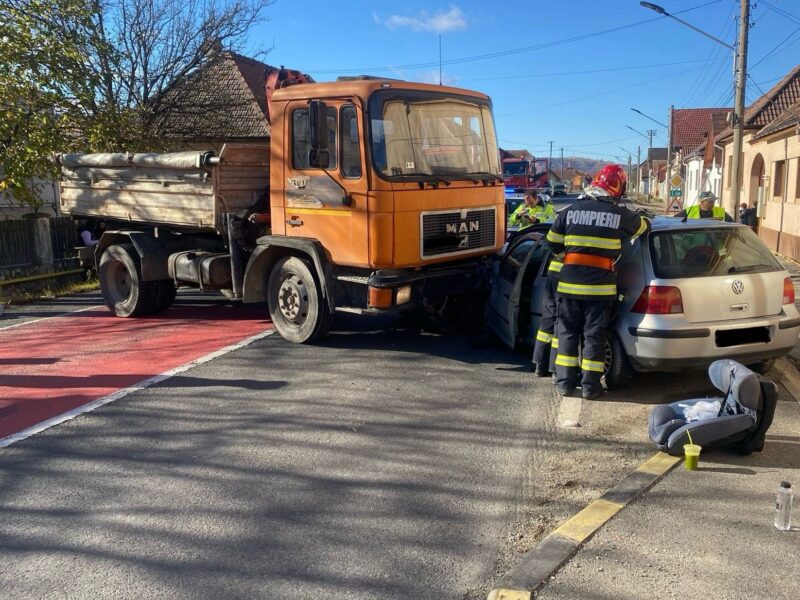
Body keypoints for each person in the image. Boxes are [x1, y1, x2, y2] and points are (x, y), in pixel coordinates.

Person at [544, 164, 650, 399]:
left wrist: (571, 259)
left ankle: (565, 383)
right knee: (594, 335)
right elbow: (644, 227)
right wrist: (640, 216)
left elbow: (551, 242)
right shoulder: (619, 214)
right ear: (616, 186)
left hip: (569, 286)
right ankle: (591, 387)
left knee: (568, 334)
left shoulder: (569, 211)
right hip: (599, 290)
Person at [531, 251, 563, 376]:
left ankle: (540, 365)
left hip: (553, 272)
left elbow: (550, 241)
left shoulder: (564, 230)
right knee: (561, 322)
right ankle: (555, 369)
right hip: (568, 274)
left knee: (548, 321)